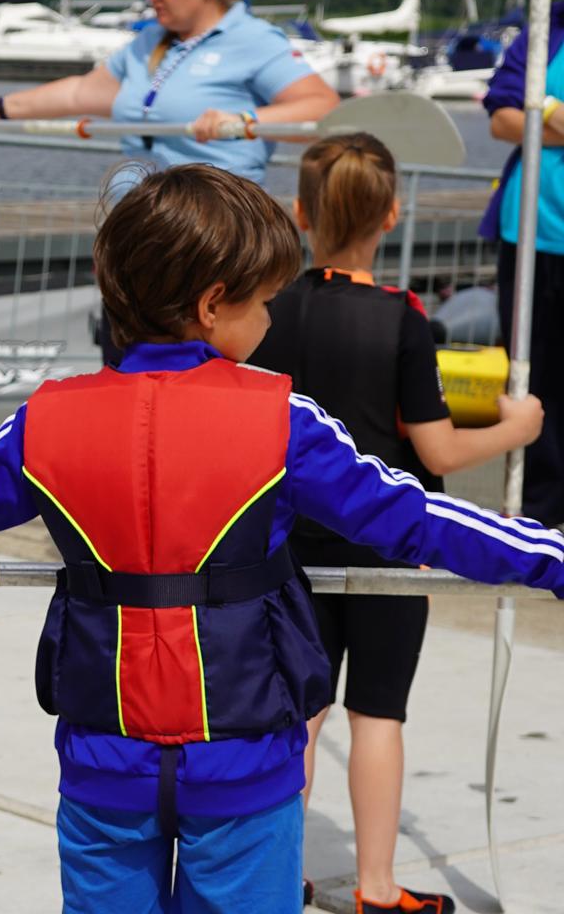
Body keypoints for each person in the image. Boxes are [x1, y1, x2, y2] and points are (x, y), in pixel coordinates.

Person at [0, 163, 564, 914]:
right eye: (264, 300)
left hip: (104, 759)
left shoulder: (45, 421)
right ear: (211, 305)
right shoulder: (283, 420)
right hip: (244, 764)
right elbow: (418, 519)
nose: (272, 317)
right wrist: (551, 558)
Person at [248, 134, 542, 913]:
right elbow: (436, 445)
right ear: (392, 212)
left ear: (301, 213)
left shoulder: (269, 312)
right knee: (377, 710)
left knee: (299, 716)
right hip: (386, 546)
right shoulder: (405, 319)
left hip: (289, 545)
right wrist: (517, 428)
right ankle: (377, 887)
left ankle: (278, 872)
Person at [0, 0, 339, 187]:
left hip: (216, 228)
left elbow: (322, 109)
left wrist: (240, 121)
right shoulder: (149, 43)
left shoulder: (253, 40)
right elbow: (78, 94)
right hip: (141, 223)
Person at [482, 0, 564, 527]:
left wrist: (545, 115)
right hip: (531, 234)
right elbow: (502, 116)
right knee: (533, 378)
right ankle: (541, 512)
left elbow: (525, 116)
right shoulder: (545, 29)